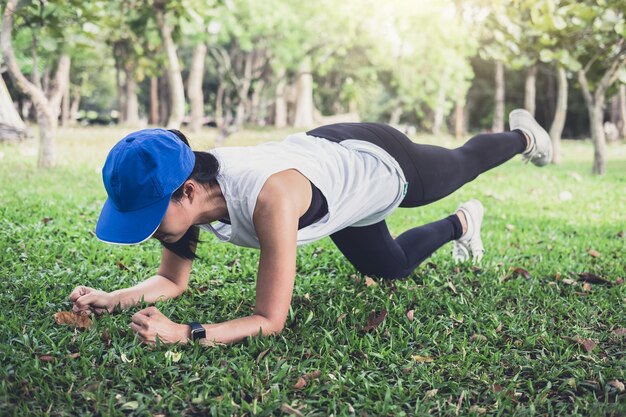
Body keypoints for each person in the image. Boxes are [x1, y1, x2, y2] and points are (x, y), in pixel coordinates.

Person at [69, 109, 552, 346]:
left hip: (376, 161)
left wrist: (186, 334)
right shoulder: (187, 200)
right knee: (392, 267)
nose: (152, 231)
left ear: (188, 191)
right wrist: (113, 299)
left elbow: (269, 320)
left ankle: (524, 136)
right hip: (330, 187)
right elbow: (173, 281)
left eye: (151, 218)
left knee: (459, 163)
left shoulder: (268, 198)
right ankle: (464, 223)